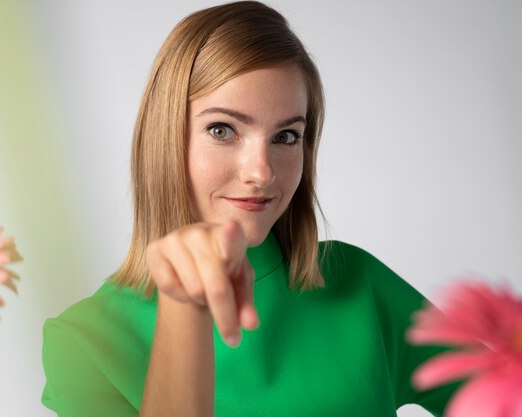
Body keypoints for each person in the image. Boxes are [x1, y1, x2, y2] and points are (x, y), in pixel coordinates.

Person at [41, 2, 462, 416]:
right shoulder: (84, 342)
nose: (261, 172)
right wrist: (185, 306)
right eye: (222, 130)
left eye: (286, 137)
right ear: (165, 139)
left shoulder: (360, 284)